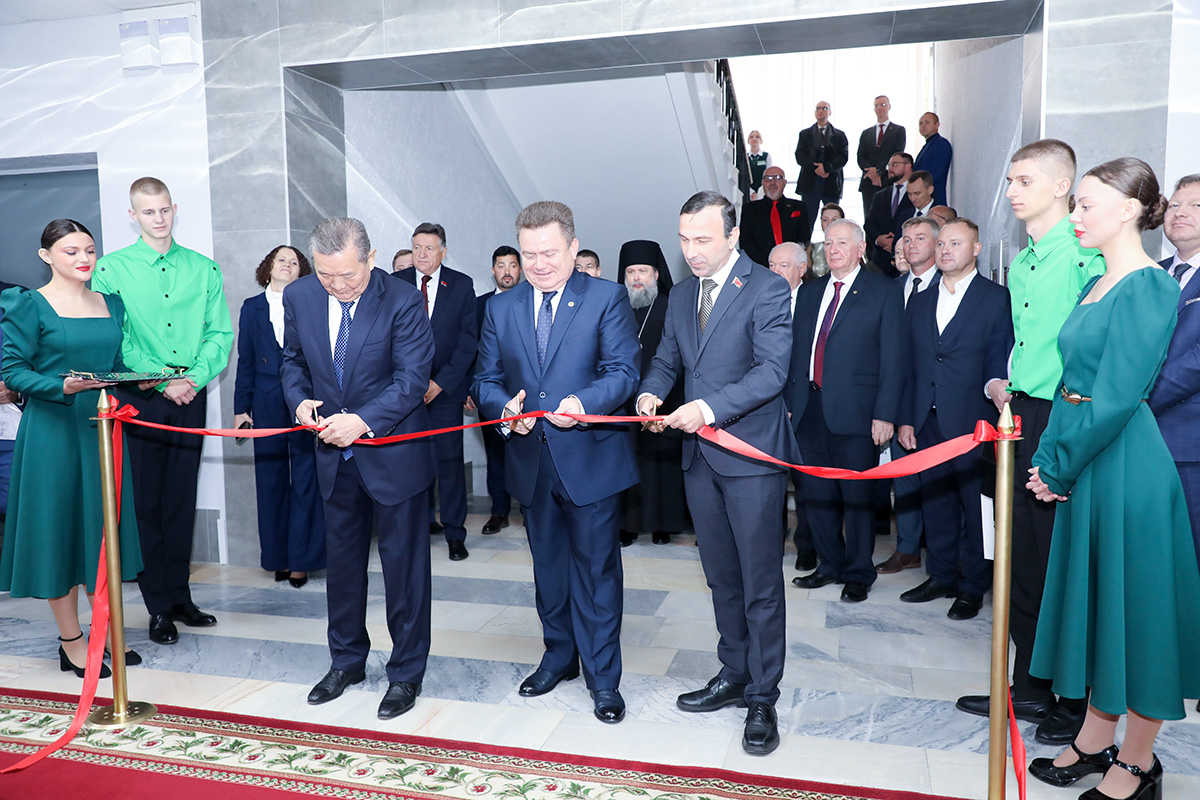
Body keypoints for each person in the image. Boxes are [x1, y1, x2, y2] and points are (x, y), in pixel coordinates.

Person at [1025, 157, 1200, 800]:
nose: (1074, 215)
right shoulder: (1098, 279)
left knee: (1139, 615)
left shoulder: (1150, 286)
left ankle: (1138, 761)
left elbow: (1119, 395)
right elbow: (1070, 384)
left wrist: (1059, 466)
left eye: (1085, 204)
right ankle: (1096, 739)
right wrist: (1049, 457)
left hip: (1126, 463)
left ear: (1129, 210)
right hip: (1090, 457)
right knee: (1103, 608)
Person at [955, 140, 1105, 746]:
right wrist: (1004, 383)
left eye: (1024, 180)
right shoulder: (1022, 262)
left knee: (1061, 560)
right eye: (1010, 180)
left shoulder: (1086, 254)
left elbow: (1097, 353)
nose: (1012, 191)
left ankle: (1075, 699)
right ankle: (1030, 685)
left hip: (1066, 413)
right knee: (1018, 558)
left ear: (1062, 186)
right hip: (1019, 413)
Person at [638, 191, 799, 756]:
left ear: (732, 236)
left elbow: (772, 372)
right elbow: (666, 359)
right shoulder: (682, 294)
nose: (692, 250)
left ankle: (763, 695)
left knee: (760, 582)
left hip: (749, 456)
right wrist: (651, 393)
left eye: (703, 239)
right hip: (698, 459)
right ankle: (734, 672)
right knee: (721, 577)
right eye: (684, 239)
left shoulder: (767, 288)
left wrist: (706, 409)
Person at [473, 201, 640, 725]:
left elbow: (623, 371)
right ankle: (559, 656)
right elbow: (485, 380)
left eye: (549, 252)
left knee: (596, 575)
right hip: (531, 462)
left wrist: (583, 404)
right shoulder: (501, 307)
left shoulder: (606, 297)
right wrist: (505, 410)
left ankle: (603, 678)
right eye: (529, 254)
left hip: (590, 460)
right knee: (548, 571)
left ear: (572, 247)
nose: (538, 264)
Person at [280, 217, 436, 720]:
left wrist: (362, 421)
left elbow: (412, 380)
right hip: (333, 455)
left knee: (404, 571)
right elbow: (293, 361)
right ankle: (346, 661)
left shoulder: (403, 300)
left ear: (370, 258)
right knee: (343, 568)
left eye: (347, 275)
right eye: (326, 275)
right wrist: (299, 402)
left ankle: (406, 672)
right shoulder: (300, 296)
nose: (337, 285)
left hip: (394, 455)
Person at [0, 219, 144, 678]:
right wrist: (61, 385)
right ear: (46, 256)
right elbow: (13, 371)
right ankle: (71, 641)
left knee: (100, 534)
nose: (84, 259)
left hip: (101, 427)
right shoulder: (27, 303)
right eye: (71, 251)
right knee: (58, 534)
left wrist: (143, 378)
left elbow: (115, 364)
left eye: (89, 250)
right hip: (52, 433)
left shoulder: (111, 303)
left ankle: (106, 629)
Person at [93, 176, 233, 646]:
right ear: (133, 215)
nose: (158, 218)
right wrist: (160, 379)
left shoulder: (203, 268)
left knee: (180, 498)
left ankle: (180, 597)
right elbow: (116, 337)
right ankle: (157, 607)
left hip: (191, 392)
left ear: (175, 209)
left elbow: (219, 334)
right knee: (147, 502)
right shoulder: (111, 269)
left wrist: (192, 378)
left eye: (164, 209)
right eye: (148, 211)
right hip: (143, 396)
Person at [896, 219, 1012, 620]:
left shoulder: (995, 298)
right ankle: (941, 575)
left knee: (975, 510)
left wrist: (996, 389)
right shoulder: (921, 299)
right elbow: (910, 364)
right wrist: (906, 418)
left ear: (976, 249)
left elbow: (998, 352)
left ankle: (973, 586)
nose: (945, 250)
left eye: (955, 244)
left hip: (972, 422)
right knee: (936, 504)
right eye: (942, 244)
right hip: (926, 421)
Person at [788, 218, 907, 604]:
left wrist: (885, 414)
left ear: (860, 248)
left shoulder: (883, 291)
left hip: (858, 412)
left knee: (857, 497)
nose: (833, 249)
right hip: (809, 409)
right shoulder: (811, 292)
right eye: (828, 243)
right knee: (815, 494)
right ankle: (829, 564)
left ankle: (858, 572)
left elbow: (894, 358)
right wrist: (790, 405)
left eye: (842, 242)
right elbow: (796, 354)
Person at [233, 245, 325, 589]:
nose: (287, 265)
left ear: (302, 272)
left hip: (304, 399)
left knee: (306, 479)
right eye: (281, 259)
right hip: (266, 400)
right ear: (268, 267)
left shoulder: (312, 303)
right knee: (270, 481)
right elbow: (245, 360)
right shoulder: (251, 307)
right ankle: (278, 558)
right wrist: (241, 409)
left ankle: (302, 561)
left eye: (294, 261)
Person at [394, 223, 477, 561]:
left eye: (429, 248)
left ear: (443, 251)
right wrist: (410, 383)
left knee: (449, 462)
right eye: (417, 247)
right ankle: (417, 528)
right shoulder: (395, 283)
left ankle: (455, 533)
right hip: (404, 392)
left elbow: (468, 342)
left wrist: (440, 383)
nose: (422, 254)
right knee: (408, 461)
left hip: (445, 391)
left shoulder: (461, 284)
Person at [875, 215, 940, 575]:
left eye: (920, 238)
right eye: (907, 239)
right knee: (905, 481)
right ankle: (908, 548)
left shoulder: (947, 287)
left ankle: (944, 559)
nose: (911, 245)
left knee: (938, 486)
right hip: (897, 401)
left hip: (935, 406)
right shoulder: (892, 289)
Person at [617, 240, 685, 547]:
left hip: (664, 396)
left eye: (643, 271)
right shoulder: (616, 306)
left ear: (656, 274)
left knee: (661, 465)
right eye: (631, 271)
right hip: (623, 398)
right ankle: (626, 525)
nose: (636, 278)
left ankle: (662, 524)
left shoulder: (671, 306)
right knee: (626, 461)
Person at [1150, 174, 1200, 568]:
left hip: (1189, 442)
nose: (1181, 213)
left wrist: (1137, 401)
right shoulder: (1151, 274)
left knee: (1191, 554)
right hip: (1140, 440)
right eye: (1175, 205)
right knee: (1152, 553)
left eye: (1196, 206)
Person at [768, 242, 815, 570]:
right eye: (771, 265)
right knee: (768, 479)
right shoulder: (758, 298)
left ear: (801, 269)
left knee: (805, 482)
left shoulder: (815, 301)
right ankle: (771, 541)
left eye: (782, 266)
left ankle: (807, 545)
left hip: (803, 406)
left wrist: (792, 402)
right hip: (764, 404)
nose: (775, 272)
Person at [475, 245, 522, 535]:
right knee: (495, 454)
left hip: (526, 394)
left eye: (512, 265)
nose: (507, 271)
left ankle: (532, 509)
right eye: (501, 265)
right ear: (493, 270)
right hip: (492, 393)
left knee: (529, 452)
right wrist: (472, 390)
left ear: (520, 270)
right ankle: (499, 511)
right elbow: (471, 348)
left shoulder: (532, 300)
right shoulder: (480, 305)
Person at [795, 101, 849, 237]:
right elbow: (800, 155)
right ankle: (806, 247)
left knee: (832, 218)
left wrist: (826, 168)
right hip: (810, 183)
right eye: (818, 108)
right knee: (807, 219)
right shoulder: (805, 134)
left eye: (824, 108)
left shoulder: (839, 135)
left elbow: (843, 157)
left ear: (829, 112)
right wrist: (816, 168)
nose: (821, 111)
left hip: (831, 182)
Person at [739, 166, 810, 268]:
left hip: (792, 266)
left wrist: (788, 262)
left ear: (785, 182)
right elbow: (746, 242)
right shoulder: (749, 209)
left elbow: (804, 238)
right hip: (760, 268)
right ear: (762, 183)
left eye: (777, 178)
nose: (772, 182)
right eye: (768, 179)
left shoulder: (799, 207)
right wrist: (770, 265)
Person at [864, 152, 915, 277]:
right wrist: (879, 239)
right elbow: (869, 223)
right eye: (889, 165)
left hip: (908, 260)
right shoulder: (880, 196)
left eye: (895, 164)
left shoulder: (916, 194)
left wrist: (896, 242)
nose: (890, 169)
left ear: (908, 166)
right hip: (880, 262)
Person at [856, 95, 906, 217]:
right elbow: (860, 156)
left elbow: (897, 153)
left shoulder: (898, 130)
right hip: (868, 183)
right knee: (869, 217)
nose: (880, 108)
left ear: (889, 107)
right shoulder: (866, 133)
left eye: (883, 105)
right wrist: (871, 173)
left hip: (888, 181)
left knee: (887, 217)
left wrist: (878, 171)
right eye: (877, 106)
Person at [912, 112, 953, 206]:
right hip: (924, 200)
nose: (923, 126)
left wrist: (917, 188)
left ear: (937, 125)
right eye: (920, 123)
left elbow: (935, 174)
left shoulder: (941, 144)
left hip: (934, 200)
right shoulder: (928, 145)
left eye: (927, 122)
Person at [808, 203, 844, 278]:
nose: (829, 223)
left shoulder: (852, 246)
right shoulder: (812, 248)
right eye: (825, 220)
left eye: (834, 220)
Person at [746, 130, 773, 201]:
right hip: (748, 192)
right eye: (751, 137)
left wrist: (759, 192)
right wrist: (752, 192)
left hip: (763, 191)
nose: (754, 139)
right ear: (748, 141)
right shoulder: (745, 157)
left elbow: (769, 175)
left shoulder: (766, 156)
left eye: (757, 137)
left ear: (761, 140)